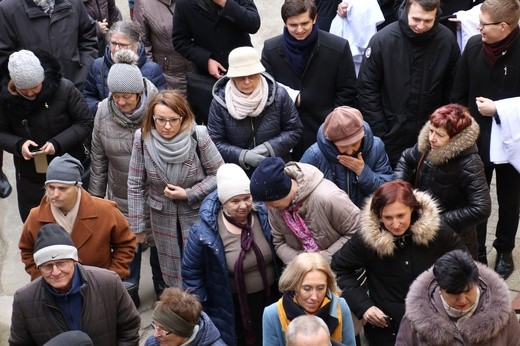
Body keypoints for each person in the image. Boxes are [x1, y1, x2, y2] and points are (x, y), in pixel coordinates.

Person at [331, 180, 465, 345]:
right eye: (388, 218)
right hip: (388, 332)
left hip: (434, 327)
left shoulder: (438, 232)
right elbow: (338, 269)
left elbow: (463, 263)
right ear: (379, 215)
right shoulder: (366, 239)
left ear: (412, 209)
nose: (395, 224)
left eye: (401, 216)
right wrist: (363, 306)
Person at [88, 49, 165, 306]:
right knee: (126, 249)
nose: (121, 102)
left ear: (139, 93)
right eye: (117, 96)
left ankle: (163, 294)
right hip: (122, 198)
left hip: (157, 197)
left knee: (160, 252)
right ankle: (128, 300)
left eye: (127, 97)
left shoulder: (159, 110)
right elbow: (98, 161)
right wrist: (95, 203)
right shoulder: (103, 112)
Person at [451, 0, 520, 279]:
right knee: (476, 198)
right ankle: (476, 250)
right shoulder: (472, 48)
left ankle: (503, 249)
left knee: (510, 198)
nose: (478, 27)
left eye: (484, 24)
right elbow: (459, 91)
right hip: (476, 140)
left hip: (511, 141)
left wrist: (499, 109)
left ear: (503, 26)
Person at [128, 90, 224, 288]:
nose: (167, 126)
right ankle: (179, 311)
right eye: (160, 120)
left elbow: (219, 173)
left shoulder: (199, 135)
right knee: (171, 272)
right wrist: (137, 227)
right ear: (152, 118)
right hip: (161, 216)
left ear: (184, 117)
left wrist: (188, 193)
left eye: (174, 120)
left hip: (196, 213)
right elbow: (135, 183)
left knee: (200, 268)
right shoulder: (142, 139)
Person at [182, 163, 279, 346]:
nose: (243, 206)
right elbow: (192, 273)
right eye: (235, 201)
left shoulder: (265, 215)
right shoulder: (204, 232)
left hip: (271, 297)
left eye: (247, 198)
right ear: (223, 202)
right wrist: (197, 309)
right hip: (233, 305)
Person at [356, 0, 460, 166]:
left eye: (427, 21)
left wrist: (442, 127)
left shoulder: (447, 40)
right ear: (406, 11)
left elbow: (453, 89)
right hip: (391, 134)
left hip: (430, 135)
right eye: (416, 19)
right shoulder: (383, 39)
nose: (420, 26)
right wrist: (381, 130)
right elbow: (367, 88)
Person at [0, 50, 93, 222]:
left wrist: (57, 143)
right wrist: (18, 144)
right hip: (30, 175)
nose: (30, 94)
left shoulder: (64, 89)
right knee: (36, 226)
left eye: (35, 87)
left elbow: (85, 122)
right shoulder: (5, 100)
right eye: (23, 90)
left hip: (68, 167)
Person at [9, 224, 140, 345]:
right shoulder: (24, 300)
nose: (56, 272)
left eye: (62, 263)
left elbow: (129, 328)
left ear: (74, 261)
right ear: (39, 267)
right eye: (47, 266)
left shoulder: (109, 283)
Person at [261, 0, 357, 159]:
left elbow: (347, 91)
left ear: (315, 18)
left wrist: (333, 126)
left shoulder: (337, 47)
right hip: (285, 136)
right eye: (293, 25)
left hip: (326, 133)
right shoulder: (271, 49)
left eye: (304, 23)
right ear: (285, 23)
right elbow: (266, 89)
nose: (299, 30)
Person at [394, 104, 491, 259]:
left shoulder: (470, 163)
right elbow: (406, 158)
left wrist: (438, 220)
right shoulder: (427, 146)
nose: (431, 138)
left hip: (454, 238)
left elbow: (482, 208)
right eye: (431, 131)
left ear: (455, 138)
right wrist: (398, 187)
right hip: (423, 231)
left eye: (439, 135)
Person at [19, 154, 136, 281]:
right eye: (51, 187)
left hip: (100, 285)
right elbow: (27, 251)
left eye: (62, 188)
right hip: (54, 291)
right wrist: (43, 278)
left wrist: (113, 275)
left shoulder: (105, 211)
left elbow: (126, 243)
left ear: (77, 187)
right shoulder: (35, 217)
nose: (55, 194)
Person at [207, 46, 303, 176]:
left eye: (251, 75)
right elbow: (214, 142)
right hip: (238, 174)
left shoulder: (278, 95)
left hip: (275, 168)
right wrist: (242, 156)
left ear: (259, 73)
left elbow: (294, 129)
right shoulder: (219, 102)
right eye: (241, 76)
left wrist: (269, 148)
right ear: (232, 77)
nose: (247, 82)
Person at [249, 157, 361, 265]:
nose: (268, 208)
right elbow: (279, 243)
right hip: (303, 272)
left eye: (270, 202)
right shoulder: (276, 208)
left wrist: (323, 258)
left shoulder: (328, 197)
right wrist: (302, 262)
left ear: (282, 191)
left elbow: (358, 232)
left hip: (343, 268)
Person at [396, 249, 520, 345]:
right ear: (440, 289)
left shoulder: (504, 315)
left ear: (476, 282)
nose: (462, 300)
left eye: (467, 291)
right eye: (453, 294)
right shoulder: (414, 320)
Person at [301, 106, 393, 208]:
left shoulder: (376, 147)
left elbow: (387, 193)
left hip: (366, 216)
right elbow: (301, 194)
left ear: (363, 136)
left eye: (354, 144)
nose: (350, 151)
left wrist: (363, 172)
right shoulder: (314, 154)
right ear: (332, 143)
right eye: (343, 147)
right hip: (331, 217)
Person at [0, 0, 97, 91]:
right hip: (33, 96)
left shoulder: (74, 2)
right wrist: (30, 86)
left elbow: (88, 38)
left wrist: (84, 72)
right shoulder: (8, 9)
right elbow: (4, 56)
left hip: (76, 89)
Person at [262, 252, 356, 346]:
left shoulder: (340, 306)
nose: (314, 297)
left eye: (320, 288)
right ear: (293, 285)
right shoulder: (272, 314)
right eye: (307, 288)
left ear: (328, 285)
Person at [83, 20, 167, 115]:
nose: (117, 49)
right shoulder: (98, 65)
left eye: (123, 45)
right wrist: (98, 106)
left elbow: (162, 104)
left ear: (136, 45)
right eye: (113, 43)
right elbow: (87, 96)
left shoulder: (152, 70)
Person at [171, 0, 260, 80]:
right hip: (212, 75)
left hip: (245, 67)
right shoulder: (183, 3)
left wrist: (225, 3)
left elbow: (253, 24)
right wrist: (206, 61)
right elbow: (180, 41)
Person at [133, 0, 196, 94]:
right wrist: (153, 75)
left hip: (200, 69)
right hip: (169, 75)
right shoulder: (144, 4)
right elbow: (142, 43)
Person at [145, 287, 226, 346]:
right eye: (155, 325)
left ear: (183, 331)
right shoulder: (152, 343)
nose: (155, 334)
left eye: (163, 329)